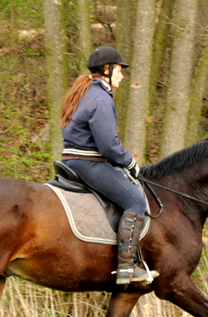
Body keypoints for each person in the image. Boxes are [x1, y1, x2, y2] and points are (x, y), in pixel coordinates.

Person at [60, 46, 156, 285]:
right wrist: (130, 162)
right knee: (135, 200)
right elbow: (108, 147)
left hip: (72, 159)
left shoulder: (86, 93)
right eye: (119, 70)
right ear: (107, 69)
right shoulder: (101, 98)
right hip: (88, 162)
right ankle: (127, 267)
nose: (122, 76)